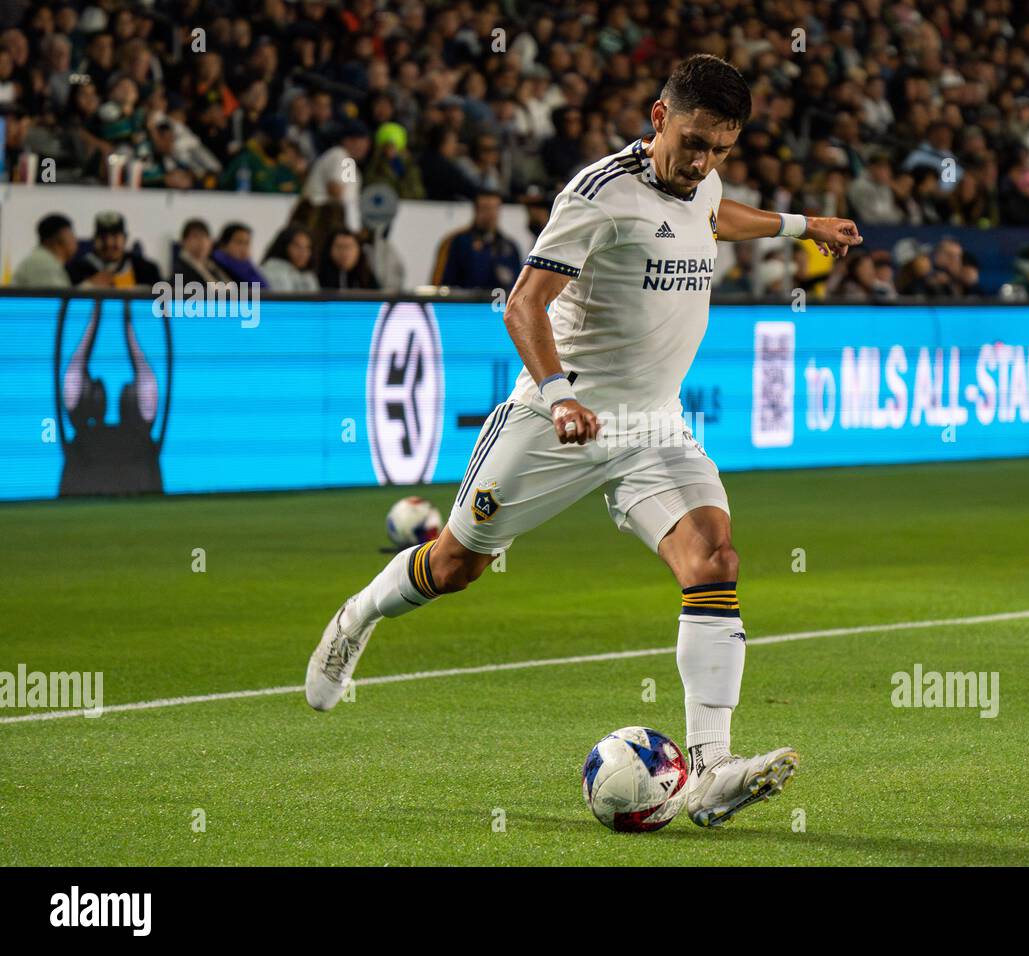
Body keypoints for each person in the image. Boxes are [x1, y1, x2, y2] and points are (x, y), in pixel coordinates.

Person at [306, 54, 862, 828]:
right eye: (694, 142)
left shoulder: (701, 180)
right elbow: (525, 306)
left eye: (721, 150)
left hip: (651, 425)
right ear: (659, 117)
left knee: (715, 559)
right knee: (458, 564)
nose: (703, 162)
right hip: (555, 419)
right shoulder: (598, 194)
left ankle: (710, 771)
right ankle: (358, 617)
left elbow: (714, 214)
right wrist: (563, 397)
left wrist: (806, 225)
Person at [429, 191, 522, 290]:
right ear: (476, 210)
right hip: (465, 303)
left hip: (499, 303)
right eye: (486, 208)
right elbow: (440, 284)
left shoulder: (509, 247)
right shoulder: (458, 242)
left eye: (494, 209)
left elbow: (519, 284)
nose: (490, 214)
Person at [66, 211, 162, 288]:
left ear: (125, 239)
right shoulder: (76, 270)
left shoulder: (147, 269)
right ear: (94, 240)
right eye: (103, 237)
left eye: (115, 236)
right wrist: (86, 287)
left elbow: (163, 303)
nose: (109, 243)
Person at [11, 213, 76, 288]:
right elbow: (58, 297)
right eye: (72, 235)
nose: (75, 241)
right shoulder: (42, 263)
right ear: (64, 235)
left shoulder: (45, 260)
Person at [260, 225, 319, 292]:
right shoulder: (268, 271)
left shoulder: (309, 278)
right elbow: (253, 300)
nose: (303, 253)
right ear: (284, 246)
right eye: (297, 246)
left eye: (307, 247)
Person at [173, 219, 232, 285]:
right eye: (195, 236)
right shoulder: (179, 269)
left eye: (205, 236)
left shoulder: (215, 265)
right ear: (184, 241)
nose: (202, 241)